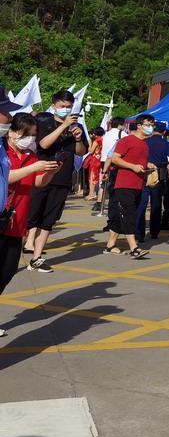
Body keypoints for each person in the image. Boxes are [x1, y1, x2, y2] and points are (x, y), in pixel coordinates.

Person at [2, 112, 61, 333]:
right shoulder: (3, 152)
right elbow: (5, 178)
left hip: (17, 222)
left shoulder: (30, 155)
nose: (30, 140)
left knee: (8, 271)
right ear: (13, 131)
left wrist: (51, 172)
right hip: (1, 217)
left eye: (34, 136)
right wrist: (33, 168)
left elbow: (38, 182)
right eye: (27, 134)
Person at [25, 90, 86, 273]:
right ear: (54, 106)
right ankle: (20, 246)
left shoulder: (77, 126)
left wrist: (77, 139)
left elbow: (81, 152)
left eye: (69, 107)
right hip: (41, 175)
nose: (66, 109)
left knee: (49, 219)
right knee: (31, 216)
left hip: (62, 178)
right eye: (62, 106)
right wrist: (63, 126)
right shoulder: (44, 123)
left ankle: (36, 258)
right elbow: (43, 144)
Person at [105, 114, 153, 258]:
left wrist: (148, 166)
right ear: (139, 126)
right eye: (148, 124)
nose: (151, 127)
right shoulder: (127, 140)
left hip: (138, 184)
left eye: (152, 125)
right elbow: (115, 158)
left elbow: (138, 162)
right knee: (129, 215)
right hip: (124, 184)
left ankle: (110, 246)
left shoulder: (145, 144)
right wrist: (133, 167)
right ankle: (134, 248)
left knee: (120, 216)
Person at [135, 121, 169, 242]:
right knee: (156, 205)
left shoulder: (144, 141)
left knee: (141, 204)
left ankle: (139, 234)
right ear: (164, 132)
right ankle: (154, 232)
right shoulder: (167, 144)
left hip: (144, 174)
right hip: (159, 175)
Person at [96, 116, 125, 214]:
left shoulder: (106, 134)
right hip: (113, 161)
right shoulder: (122, 134)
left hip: (103, 160)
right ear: (120, 124)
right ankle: (113, 206)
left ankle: (99, 202)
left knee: (103, 182)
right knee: (114, 184)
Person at [85, 127, 104, 201]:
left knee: (92, 177)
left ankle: (91, 194)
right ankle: (95, 193)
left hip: (94, 160)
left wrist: (90, 144)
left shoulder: (96, 141)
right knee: (97, 177)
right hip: (100, 159)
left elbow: (91, 151)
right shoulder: (102, 139)